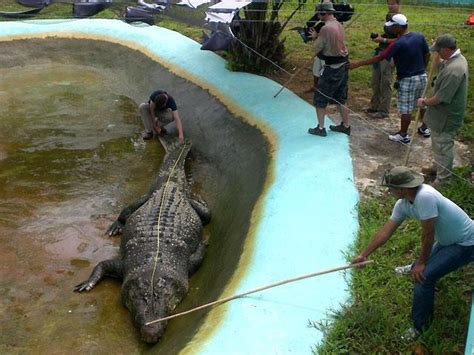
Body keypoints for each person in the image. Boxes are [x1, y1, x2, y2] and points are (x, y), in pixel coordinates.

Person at [351, 166, 474, 341]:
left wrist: (422, 264)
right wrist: (364, 255)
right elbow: (385, 232)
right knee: (419, 267)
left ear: (402, 189)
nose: (389, 191)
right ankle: (413, 266)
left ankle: (420, 326)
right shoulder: (402, 204)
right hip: (448, 241)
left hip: (467, 243)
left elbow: (428, 234)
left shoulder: (425, 197)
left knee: (423, 277)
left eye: (391, 188)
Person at [417, 34, 468, 184]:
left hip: (446, 116)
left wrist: (424, 102)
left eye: (438, 51)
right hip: (440, 115)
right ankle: (438, 167)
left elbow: (441, 98)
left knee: (443, 146)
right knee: (438, 144)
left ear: (446, 49)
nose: (437, 53)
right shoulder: (453, 59)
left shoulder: (455, 70)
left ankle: (444, 179)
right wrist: (436, 54)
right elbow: (439, 66)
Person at [378, 14, 430, 143]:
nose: (391, 30)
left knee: (406, 108)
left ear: (398, 28)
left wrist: (357, 64)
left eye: (393, 27)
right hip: (422, 76)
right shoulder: (419, 36)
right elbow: (427, 53)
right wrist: (423, 67)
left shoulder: (398, 43)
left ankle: (403, 134)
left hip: (407, 79)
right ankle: (425, 128)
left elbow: (382, 57)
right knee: (422, 103)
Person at [307, 1, 350, 137]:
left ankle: (320, 128)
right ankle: (345, 125)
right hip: (343, 65)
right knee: (340, 98)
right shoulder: (338, 24)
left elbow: (318, 48)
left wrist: (315, 37)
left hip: (333, 67)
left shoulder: (326, 29)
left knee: (320, 98)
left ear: (323, 13)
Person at [364, 14, 397, 119]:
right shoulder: (388, 23)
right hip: (380, 52)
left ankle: (384, 110)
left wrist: (383, 40)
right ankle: (374, 105)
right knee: (375, 81)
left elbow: (399, 40)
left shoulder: (400, 26)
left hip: (389, 56)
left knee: (385, 83)